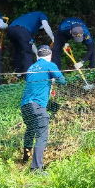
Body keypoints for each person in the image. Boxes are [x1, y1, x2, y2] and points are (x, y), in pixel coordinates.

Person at [20, 46, 65, 174]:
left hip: (25, 105)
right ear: (50, 55)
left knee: (30, 130)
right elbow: (62, 80)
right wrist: (53, 79)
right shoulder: (50, 65)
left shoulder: (31, 68)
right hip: (37, 105)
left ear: (37, 56)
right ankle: (36, 168)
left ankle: (26, 158)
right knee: (42, 135)